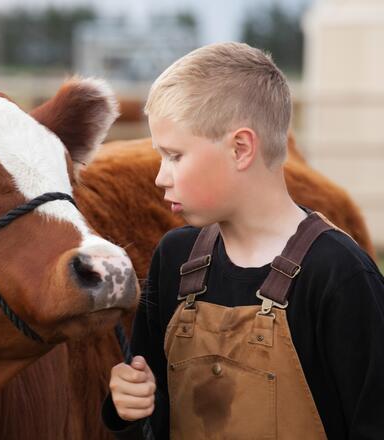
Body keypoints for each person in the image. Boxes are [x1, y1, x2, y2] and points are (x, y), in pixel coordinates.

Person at [102, 42, 384, 439]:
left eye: (174, 156)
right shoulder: (173, 258)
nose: (160, 177)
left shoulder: (339, 274)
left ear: (241, 148)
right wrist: (127, 406)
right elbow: (153, 414)